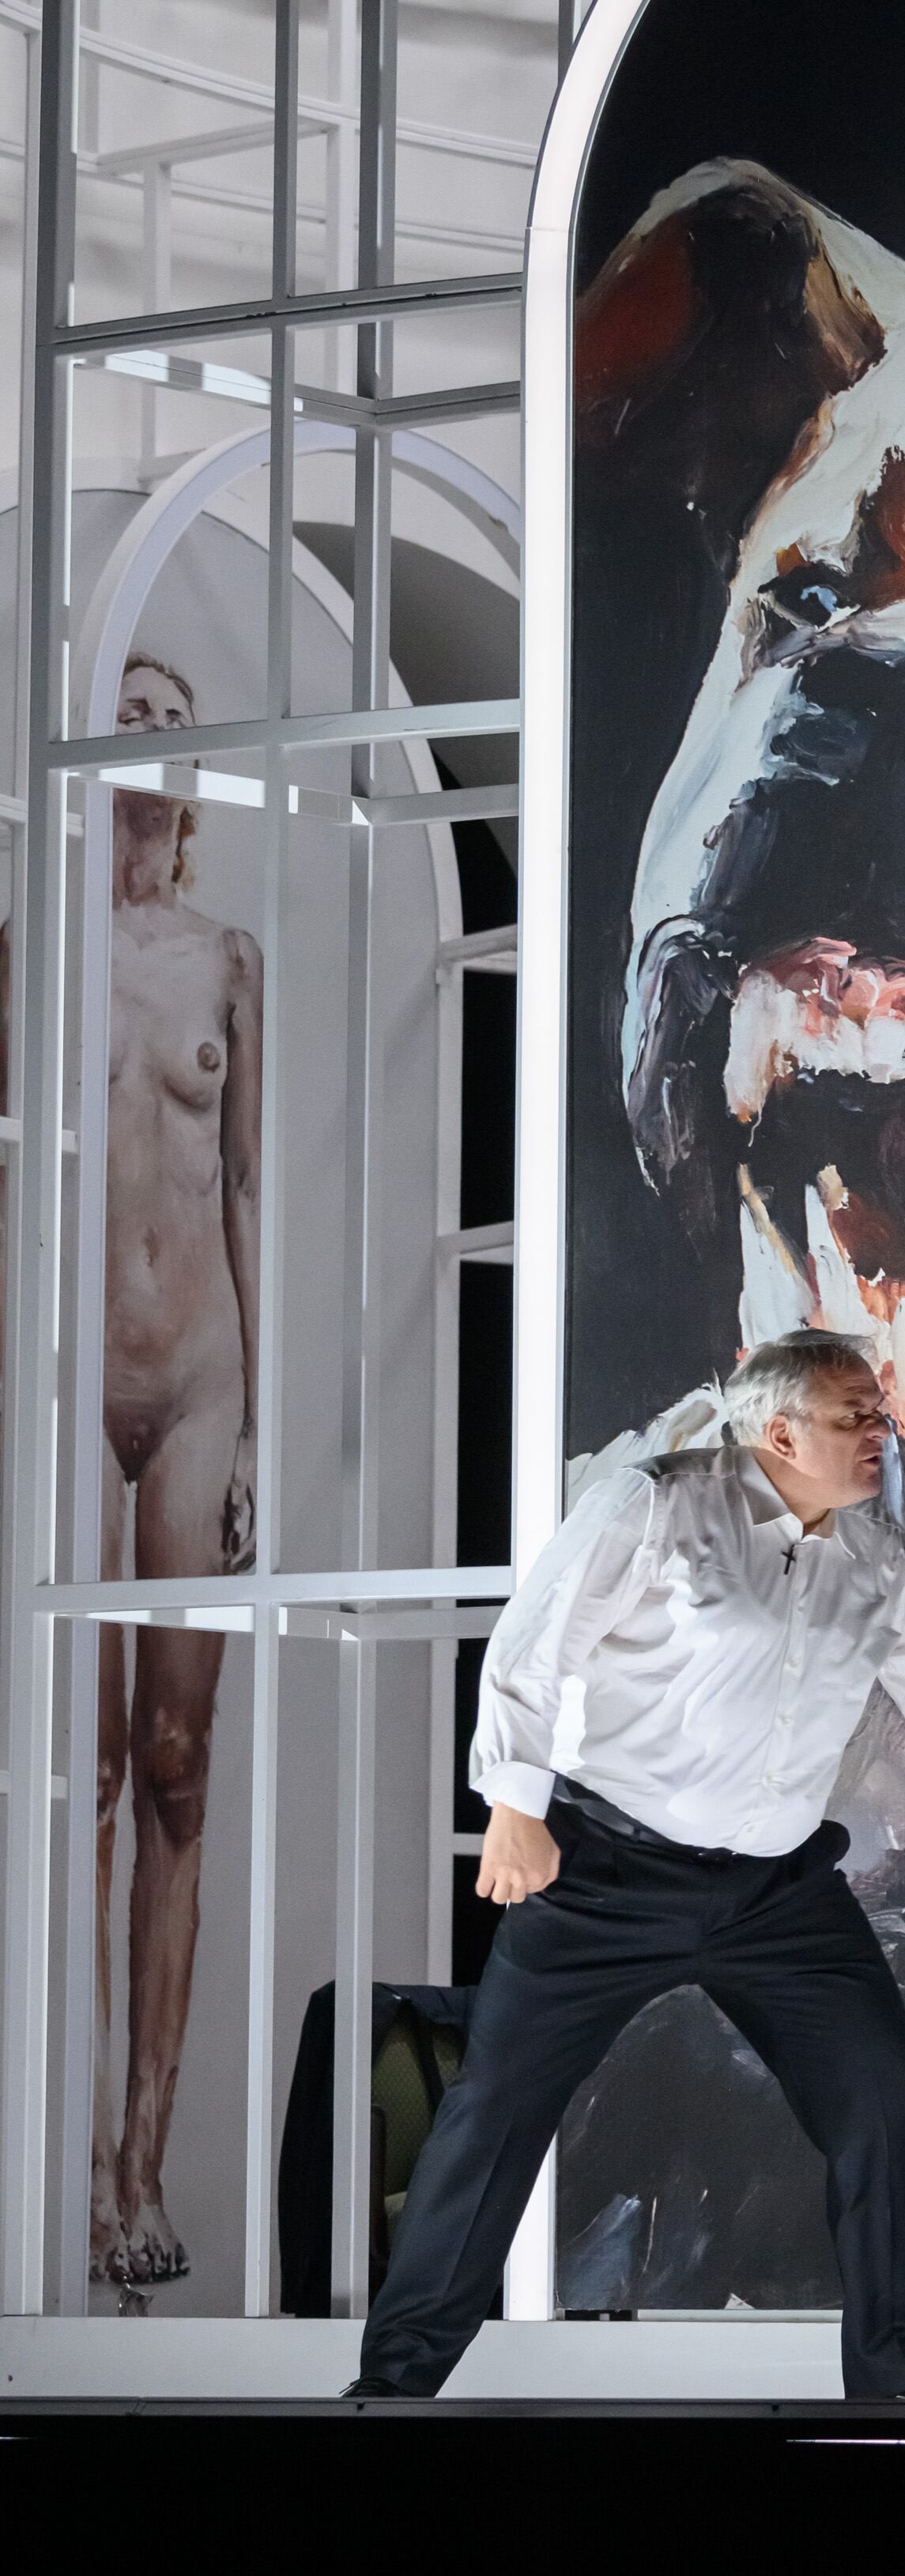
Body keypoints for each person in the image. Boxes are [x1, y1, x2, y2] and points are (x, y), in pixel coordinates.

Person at [346, 1331, 905, 2401]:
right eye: (854, 1416)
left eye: (878, 1414)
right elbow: (535, 1653)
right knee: (497, 2113)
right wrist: (516, 1808)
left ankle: (894, 2391)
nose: (878, 1434)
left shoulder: (878, 1555)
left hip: (776, 1896)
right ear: (778, 1432)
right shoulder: (658, 1505)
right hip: (605, 1873)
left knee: (882, 2099)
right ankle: (391, 2387)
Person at [91, 655, 262, 2286]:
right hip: (76, 1380)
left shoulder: (228, 960)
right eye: (125, 713)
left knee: (174, 1766)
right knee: (70, 1774)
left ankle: (141, 2159)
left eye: (167, 714)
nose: (149, 735)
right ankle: (61, 2152)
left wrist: (256, 1427)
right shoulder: (37, 950)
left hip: (200, 1372)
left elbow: (248, 1198)